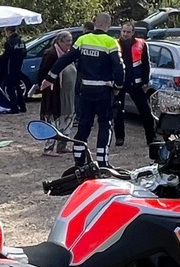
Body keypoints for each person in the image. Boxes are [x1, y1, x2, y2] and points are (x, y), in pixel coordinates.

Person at [40, 13, 124, 168]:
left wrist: (49, 78)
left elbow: (65, 59)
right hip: (104, 90)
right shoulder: (111, 42)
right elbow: (119, 68)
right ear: (109, 25)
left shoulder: (83, 40)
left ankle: (79, 160)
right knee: (105, 124)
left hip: (85, 90)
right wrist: (118, 87)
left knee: (84, 125)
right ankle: (103, 161)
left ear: (95, 23)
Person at [113, 21, 157, 147]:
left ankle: (151, 137)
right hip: (119, 83)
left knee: (145, 111)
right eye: (123, 31)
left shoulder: (141, 44)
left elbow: (146, 64)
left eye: (128, 32)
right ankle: (119, 138)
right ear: (121, 31)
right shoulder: (114, 44)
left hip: (136, 83)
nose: (125, 34)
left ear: (133, 33)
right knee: (118, 112)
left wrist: (145, 81)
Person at [38, 31, 77, 156]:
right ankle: (48, 148)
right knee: (53, 120)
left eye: (71, 41)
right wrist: (46, 88)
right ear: (59, 42)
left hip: (68, 93)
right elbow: (42, 75)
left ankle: (62, 145)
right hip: (55, 94)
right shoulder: (51, 54)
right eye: (67, 42)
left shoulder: (68, 54)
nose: (69, 44)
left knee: (68, 117)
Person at [0, 26, 27, 114]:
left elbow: (6, 56)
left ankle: (14, 108)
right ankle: (23, 106)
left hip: (10, 67)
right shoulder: (21, 40)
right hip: (19, 67)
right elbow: (24, 53)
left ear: (8, 31)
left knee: (10, 87)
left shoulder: (9, 42)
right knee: (18, 87)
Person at [74, 21, 95, 125]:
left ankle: (79, 117)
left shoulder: (82, 39)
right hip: (94, 73)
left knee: (78, 94)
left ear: (85, 28)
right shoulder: (96, 39)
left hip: (81, 71)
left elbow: (73, 55)